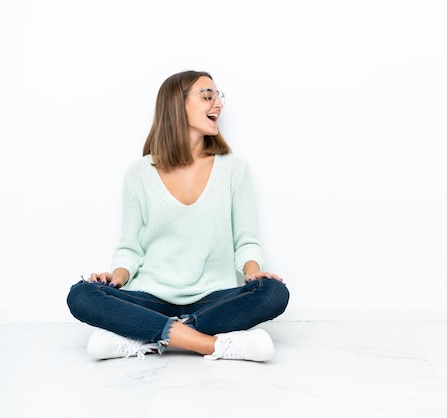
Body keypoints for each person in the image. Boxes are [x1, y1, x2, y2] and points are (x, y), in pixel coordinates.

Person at [67, 70, 289, 362]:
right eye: (207, 96)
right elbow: (130, 248)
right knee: (81, 294)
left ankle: (145, 337)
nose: (218, 104)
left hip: (213, 298)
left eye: (218, 96)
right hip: (151, 298)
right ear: (176, 105)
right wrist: (115, 278)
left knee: (274, 293)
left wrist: (252, 272)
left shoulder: (234, 169)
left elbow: (246, 240)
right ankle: (210, 344)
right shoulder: (138, 174)